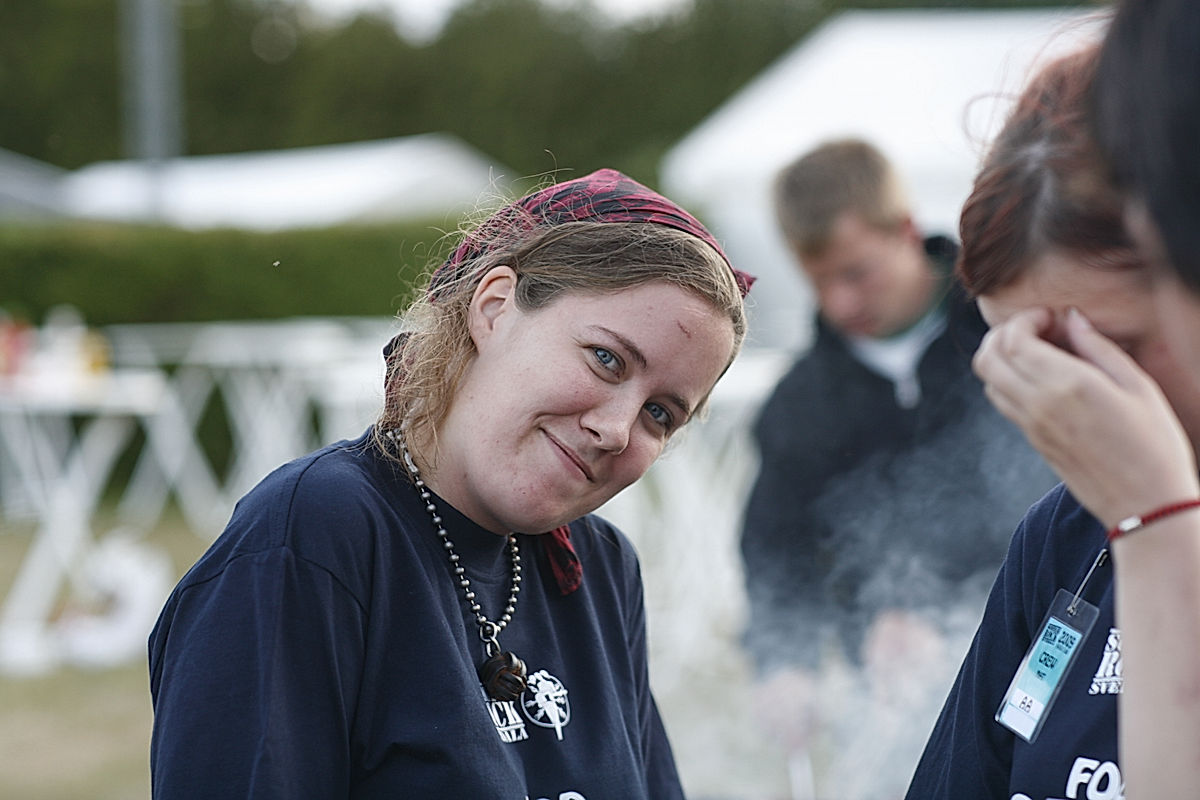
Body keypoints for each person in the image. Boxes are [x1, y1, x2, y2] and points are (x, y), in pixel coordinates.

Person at [147, 168, 754, 799]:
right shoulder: (318, 533)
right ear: (493, 309)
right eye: (606, 358)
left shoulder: (601, 569)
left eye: (661, 414)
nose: (617, 430)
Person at [904, 38, 1200, 798]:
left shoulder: (1132, 512)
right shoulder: (1066, 534)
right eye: (1032, 363)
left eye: (1110, 347)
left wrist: (1162, 527)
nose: (1071, 402)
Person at [738, 139, 1053, 797]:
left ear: (907, 231)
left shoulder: (1020, 328)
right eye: (819, 281)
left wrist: (950, 618)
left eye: (856, 272)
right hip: (882, 706)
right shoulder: (799, 403)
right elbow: (775, 547)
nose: (840, 302)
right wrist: (783, 663)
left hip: (1047, 670)